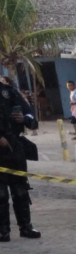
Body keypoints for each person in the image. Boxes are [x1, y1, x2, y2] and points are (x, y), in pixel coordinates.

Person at [0, 81, 41, 241]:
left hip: (14, 148)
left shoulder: (9, 91)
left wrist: (23, 119)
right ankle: (3, 231)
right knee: (1, 194)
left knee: (20, 192)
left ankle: (26, 227)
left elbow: (30, 115)